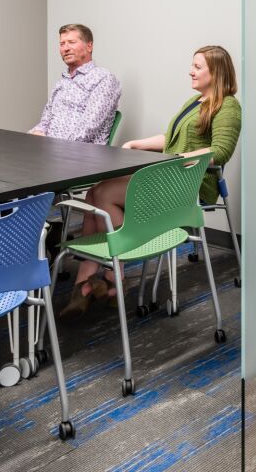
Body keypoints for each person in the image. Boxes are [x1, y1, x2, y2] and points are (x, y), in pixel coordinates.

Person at [60, 45, 242, 319]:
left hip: (189, 185)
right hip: (171, 177)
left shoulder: (228, 106)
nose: (190, 71)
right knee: (94, 193)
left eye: (197, 67)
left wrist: (178, 160)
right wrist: (137, 144)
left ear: (215, 72)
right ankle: (96, 277)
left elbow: (220, 151)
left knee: (105, 193)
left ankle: (112, 271)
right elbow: (170, 137)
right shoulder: (196, 102)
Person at [30, 23, 122, 144]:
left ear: (89, 46)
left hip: (81, 155)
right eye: (62, 44)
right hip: (49, 152)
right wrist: (36, 133)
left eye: (71, 42)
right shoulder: (61, 83)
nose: (65, 48)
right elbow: (45, 122)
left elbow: (87, 129)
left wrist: (50, 147)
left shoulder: (104, 79)